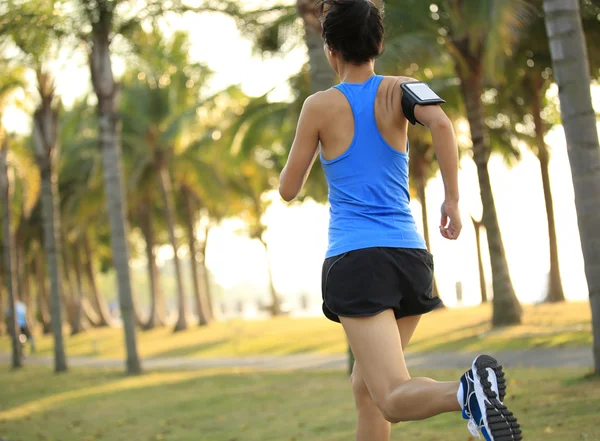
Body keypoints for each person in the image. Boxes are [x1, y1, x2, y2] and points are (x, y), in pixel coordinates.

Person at [278, 1, 521, 440]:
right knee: (367, 389)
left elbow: (288, 188)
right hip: (409, 259)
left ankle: (468, 393)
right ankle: (470, 393)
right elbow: (443, 127)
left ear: (330, 47)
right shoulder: (403, 88)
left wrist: (316, 144)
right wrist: (451, 200)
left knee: (389, 394)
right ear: (379, 43)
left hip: (357, 262)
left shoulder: (319, 106)